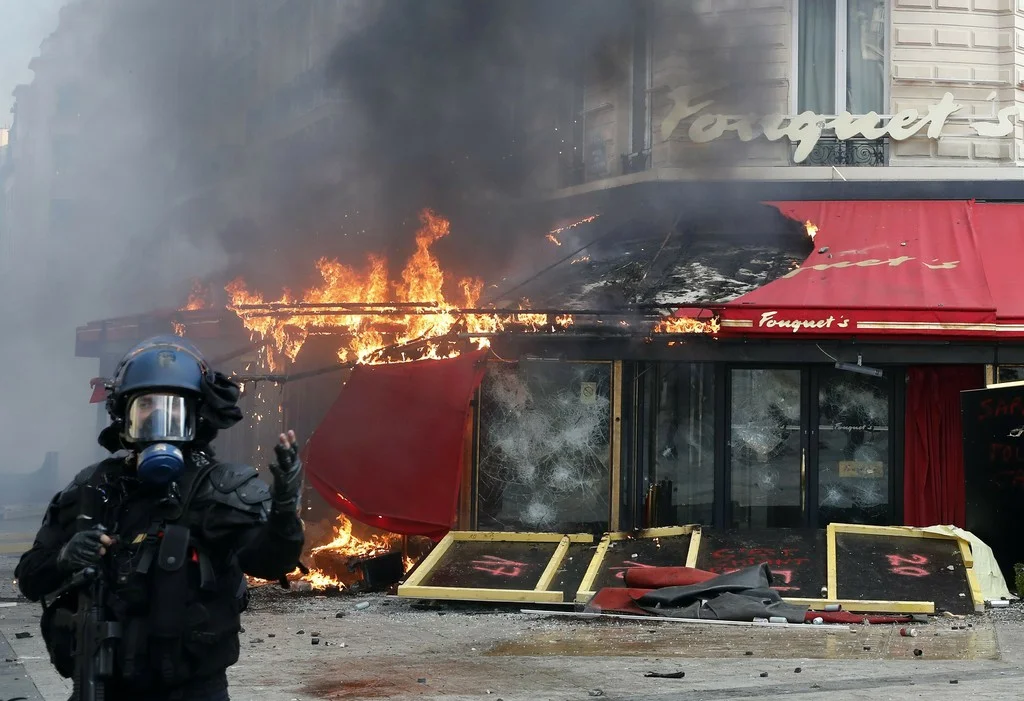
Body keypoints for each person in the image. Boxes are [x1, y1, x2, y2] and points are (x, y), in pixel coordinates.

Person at [15, 335, 305, 701]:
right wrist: (64, 557)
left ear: (196, 419)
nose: (159, 422)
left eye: (173, 412)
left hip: (193, 692)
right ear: (124, 418)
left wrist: (284, 508)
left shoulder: (220, 488)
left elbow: (271, 561)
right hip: (104, 690)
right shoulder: (94, 489)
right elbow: (29, 578)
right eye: (146, 409)